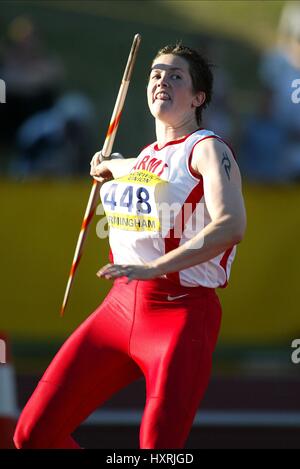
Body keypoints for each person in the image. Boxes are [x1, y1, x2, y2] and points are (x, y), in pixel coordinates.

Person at [14, 43, 246, 449]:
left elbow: (231, 226)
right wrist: (109, 165)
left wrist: (157, 268)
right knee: (32, 435)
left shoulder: (209, 148)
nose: (161, 80)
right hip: (118, 309)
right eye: (156, 73)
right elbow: (138, 170)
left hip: (180, 314)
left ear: (198, 98)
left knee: (156, 450)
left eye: (176, 76)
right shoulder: (145, 157)